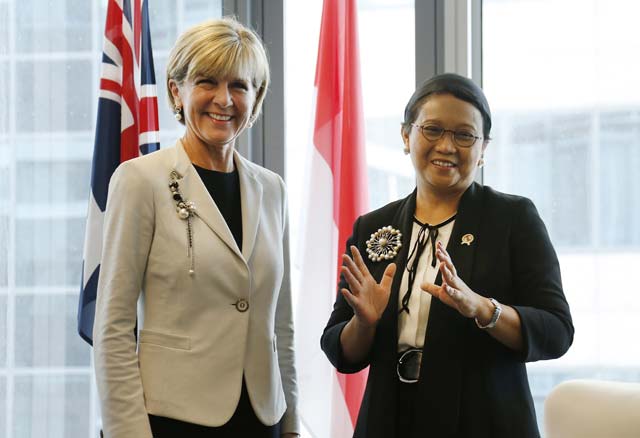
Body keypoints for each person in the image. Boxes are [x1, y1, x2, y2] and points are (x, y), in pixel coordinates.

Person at [321, 73, 573, 438]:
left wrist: (484, 309)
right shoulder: (372, 226)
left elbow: (557, 330)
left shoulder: (513, 219)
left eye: (464, 135)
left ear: (483, 148)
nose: (446, 145)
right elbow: (340, 350)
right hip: (389, 419)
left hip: (484, 421)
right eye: (433, 130)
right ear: (407, 136)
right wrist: (366, 322)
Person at [93, 18, 299, 438]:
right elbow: (113, 328)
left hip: (263, 420)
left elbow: (282, 324)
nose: (224, 100)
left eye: (240, 86)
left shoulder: (273, 189)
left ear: (255, 97)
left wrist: (291, 425)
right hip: (173, 421)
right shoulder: (139, 181)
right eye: (207, 81)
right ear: (176, 90)